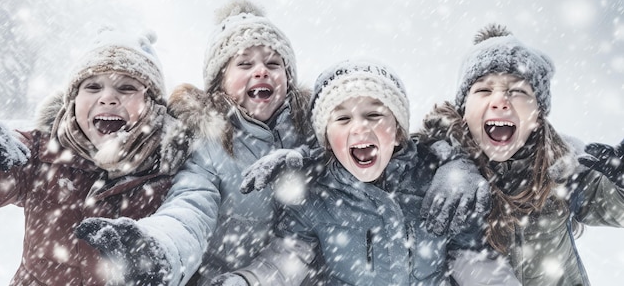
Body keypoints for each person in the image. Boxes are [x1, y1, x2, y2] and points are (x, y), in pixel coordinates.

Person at [211, 60, 519, 286]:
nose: (359, 127)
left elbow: (475, 263)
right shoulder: (316, 195)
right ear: (328, 140)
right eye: (342, 119)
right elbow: (284, 262)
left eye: (374, 115)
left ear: (398, 133)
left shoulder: (434, 183)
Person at [76, 0, 315, 286]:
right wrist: (159, 248)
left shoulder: (310, 137)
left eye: (274, 63)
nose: (261, 70)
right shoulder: (208, 144)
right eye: (245, 63)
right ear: (219, 82)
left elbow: (303, 235)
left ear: (288, 78)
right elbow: (190, 208)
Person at [417, 23, 624, 285]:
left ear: (538, 115)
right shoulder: (432, 167)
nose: (500, 100)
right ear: (463, 108)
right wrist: (447, 161)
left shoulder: (564, 165)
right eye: (483, 89)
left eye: (517, 91)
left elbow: (615, 208)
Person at [0, 28, 191, 285]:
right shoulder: (40, 152)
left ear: (153, 106)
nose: (108, 98)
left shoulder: (171, 167)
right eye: (92, 86)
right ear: (73, 102)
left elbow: (189, 229)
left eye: (126, 87)